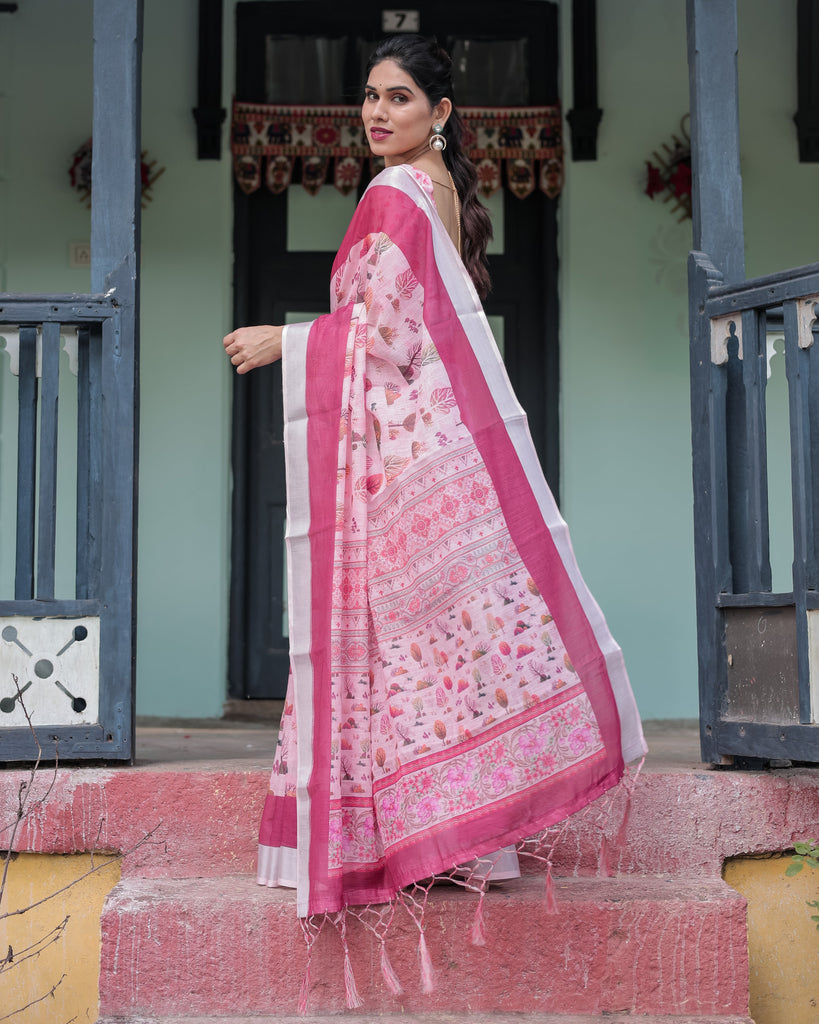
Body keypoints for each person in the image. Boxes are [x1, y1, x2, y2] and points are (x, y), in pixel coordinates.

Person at [224, 29, 644, 961]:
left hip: (407, 450)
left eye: (398, 99)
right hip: (434, 438)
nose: (376, 113)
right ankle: (464, 835)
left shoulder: (396, 192)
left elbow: (381, 335)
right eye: (369, 96)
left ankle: (415, 833)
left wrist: (283, 340)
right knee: (438, 633)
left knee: (402, 632)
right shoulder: (436, 187)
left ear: (440, 113)